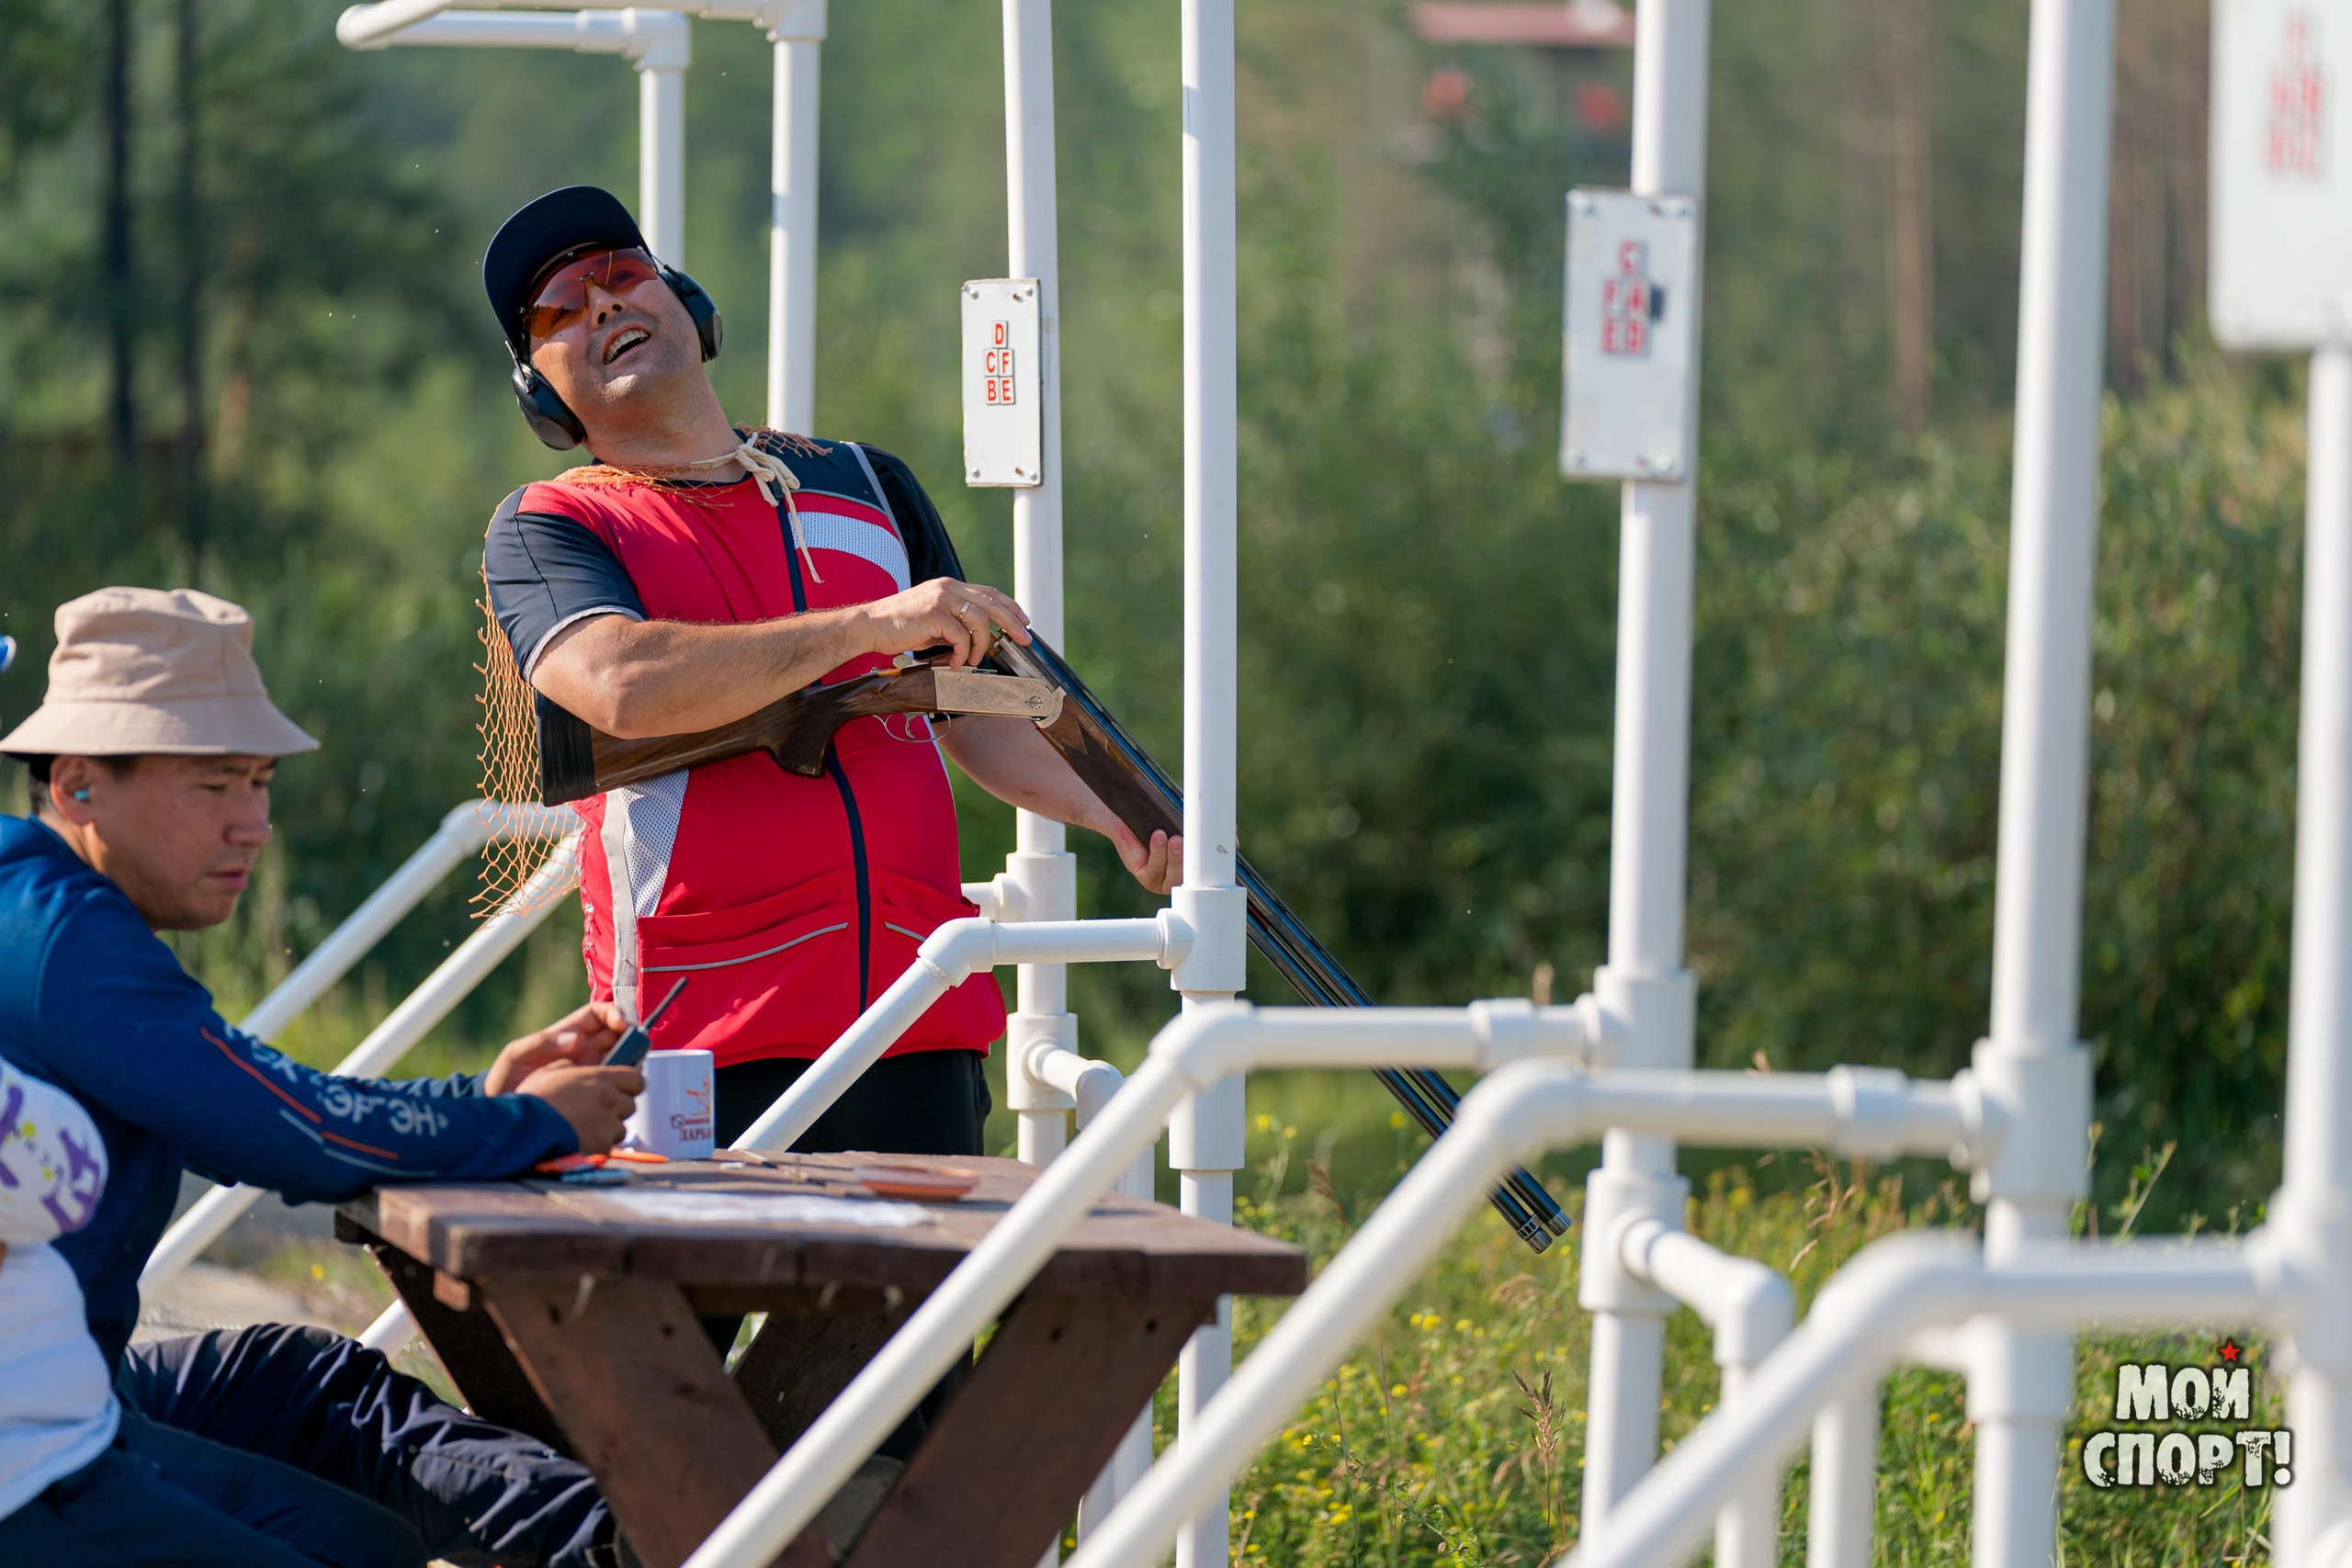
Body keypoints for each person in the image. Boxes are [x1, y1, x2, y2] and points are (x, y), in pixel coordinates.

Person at [478, 185, 1178, 1156]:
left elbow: (971, 706)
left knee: (935, 1272)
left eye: (622, 273)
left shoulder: (869, 483)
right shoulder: (552, 523)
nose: (601, 303)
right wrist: (866, 627)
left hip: (920, 1015)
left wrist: (1125, 810)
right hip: (699, 1041)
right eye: (559, 309)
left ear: (686, 301)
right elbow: (619, 686)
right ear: (540, 391)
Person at [0, 587, 650, 1568]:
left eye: (260, 782)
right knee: (362, 1544)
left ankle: (630, 1537)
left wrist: (482, 1102)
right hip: (35, 1446)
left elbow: (259, 1098)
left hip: (73, 1385)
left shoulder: (44, 900)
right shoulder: (63, 939)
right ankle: (682, 1533)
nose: (253, 824)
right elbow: (290, 1133)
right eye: (214, 786)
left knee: (311, 1388)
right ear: (79, 786)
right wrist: (527, 1124)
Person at [0, 1056, 424, 1567]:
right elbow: (71, 1182)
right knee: (372, 1548)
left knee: (378, 1538)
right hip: (38, 1470)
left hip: (64, 1432)